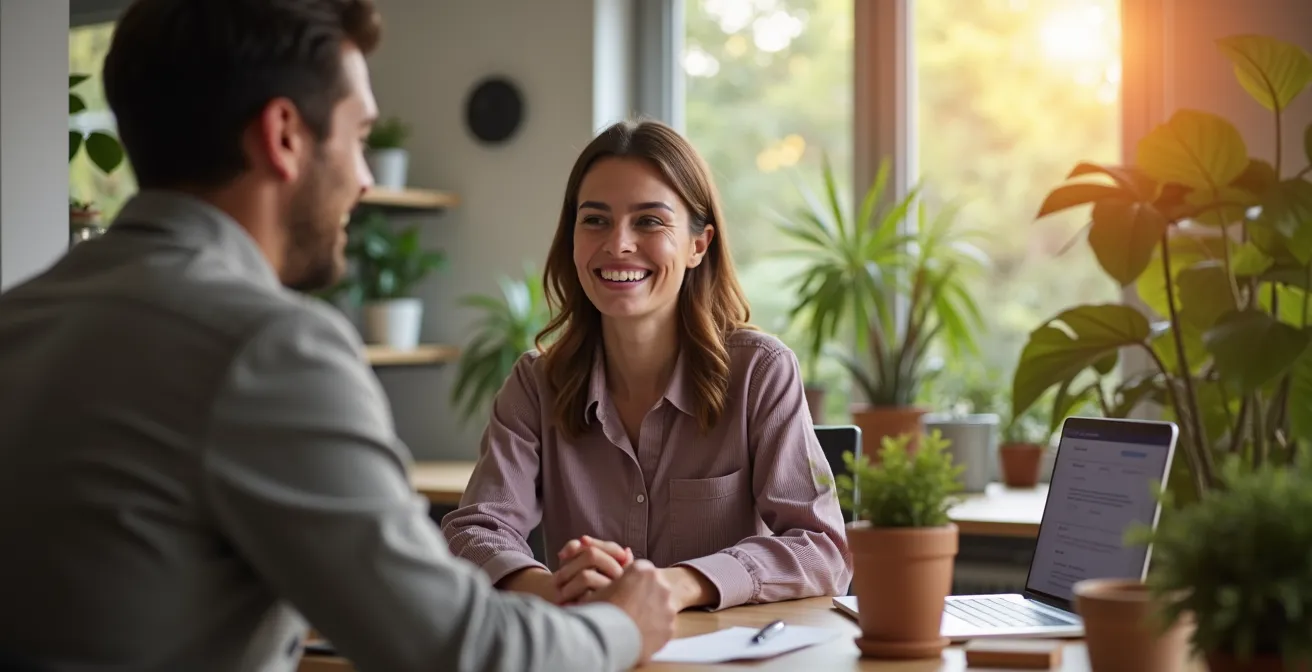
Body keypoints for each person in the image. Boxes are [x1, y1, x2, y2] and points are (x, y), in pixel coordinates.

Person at [0, 2, 677, 671]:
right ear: (284, 135)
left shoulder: (22, 317)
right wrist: (621, 624)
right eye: (358, 138)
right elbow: (463, 651)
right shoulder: (268, 347)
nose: (366, 179)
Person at [441, 120, 853, 612]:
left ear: (698, 245)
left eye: (649, 221)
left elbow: (822, 549)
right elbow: (475, 532)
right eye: (594, 220)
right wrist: (553, 589)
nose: (618, 244)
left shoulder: (760, 372)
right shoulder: (536, 384)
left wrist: (680, 585)